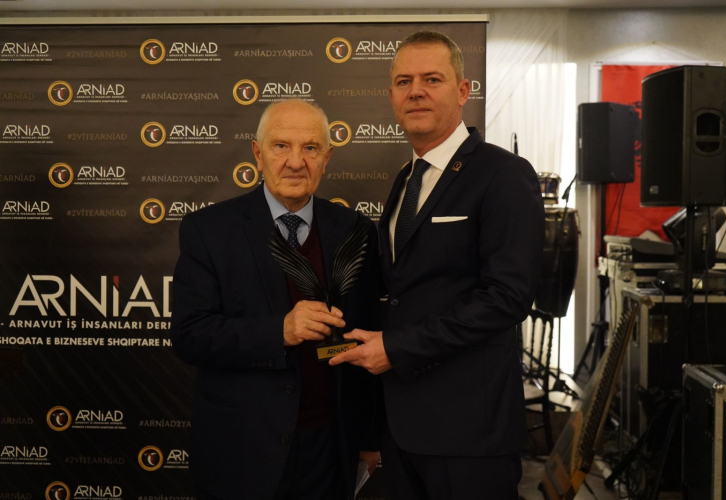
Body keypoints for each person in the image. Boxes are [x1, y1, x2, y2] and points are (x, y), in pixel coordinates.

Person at [330, 30, 545, 499]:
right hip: (401, 428)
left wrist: (397, 347)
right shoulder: (406, 179)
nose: (416, 91)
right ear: (391, 95)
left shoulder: (504, 174)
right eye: (404, 81)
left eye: (432, 79)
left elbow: (507, 298)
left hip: (471, 432)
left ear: (463, 90)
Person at [171, 99, 381, 500]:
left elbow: (368, 333)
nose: (295, 162)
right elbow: (190, 335)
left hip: (330, 450)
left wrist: (369, 438)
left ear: (327, 158)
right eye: (281, 146)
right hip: (242, 450)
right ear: (258, 153)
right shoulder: (209, 230)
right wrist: (280, 331)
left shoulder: (355, 229)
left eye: (310, 148)